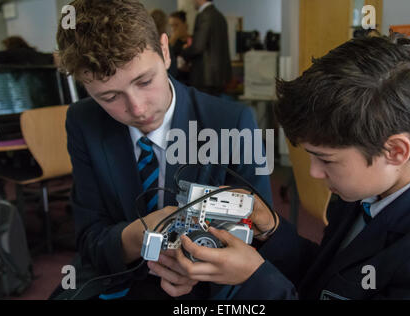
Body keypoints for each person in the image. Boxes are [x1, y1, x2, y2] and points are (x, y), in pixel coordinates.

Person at [173, 33, 410, 299]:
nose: (314, 172)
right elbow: (328, 277)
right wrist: (272, 229)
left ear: (395, 151)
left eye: (326, 159)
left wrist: (256, 279)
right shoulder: (364, 188)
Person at [50, 0, 273, 300]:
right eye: (110, 96)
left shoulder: (231, 122)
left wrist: (195, 269)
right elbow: (90, 239)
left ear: (165, 51)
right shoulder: (83, 121)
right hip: (116, 276)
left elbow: (261, 236)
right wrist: (141, 233)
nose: (138, 109)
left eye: (145, 81)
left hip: (206, 283)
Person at [181, 0, 231, 96]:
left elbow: (198, 47)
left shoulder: (204, 15)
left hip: (204, 77)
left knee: (202, 109)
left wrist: (183, 52)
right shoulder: (220, 16)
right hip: (219, 77)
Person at [168, 10, 192, 84]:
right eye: (171, 26)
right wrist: (173, 39)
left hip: (191, 82)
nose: (173, 29)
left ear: (185, 25)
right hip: (176, 82)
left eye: (176, 25)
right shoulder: (170, 42)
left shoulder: (193, 40)